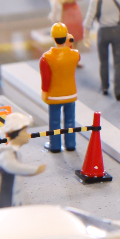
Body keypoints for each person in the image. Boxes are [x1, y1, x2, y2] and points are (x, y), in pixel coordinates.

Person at [0, 113, 45, 210]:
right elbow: (11, 166)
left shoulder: (14, 152)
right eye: (25, 131)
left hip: (10, 200)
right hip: (0, 202)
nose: (28, 134)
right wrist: (35, 170)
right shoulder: (6, 154)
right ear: (16, 134)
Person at [40, 23, 81, 152]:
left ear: (53, 37)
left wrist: (44, 92)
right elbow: (72, 52)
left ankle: (55, 145)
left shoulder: (46, 58)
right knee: (70, 120)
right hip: (70, 93)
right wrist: (69, 43)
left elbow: (46, 79)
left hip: (54, 95)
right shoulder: (75, 55)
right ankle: (70, 143)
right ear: (66, 37)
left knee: (54, 122)